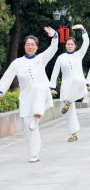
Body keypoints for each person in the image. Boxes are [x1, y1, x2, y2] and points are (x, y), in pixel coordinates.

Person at [0, 27, 58, 162]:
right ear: (24, 46)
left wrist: (55, 36)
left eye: (33, 44)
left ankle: (37, 116)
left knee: (38, 87)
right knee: (29, 127)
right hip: (26, 99)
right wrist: (1, 90)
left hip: (42, 93)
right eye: (28, 44)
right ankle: (34, 155)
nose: (30, 47)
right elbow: (7, 77)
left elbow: (53, 48)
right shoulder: (17, 63)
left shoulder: (41, 58)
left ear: (37, 47)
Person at [50, 24, 89, 142]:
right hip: (66, 87)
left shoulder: (79, 54)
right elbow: (55, 72)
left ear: (75, 46)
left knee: (77, 78)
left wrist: (83, 29)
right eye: (68, 44)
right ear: (65, 45)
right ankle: (73, 134)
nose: (70, 46)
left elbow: (86, 43)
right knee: (70, 113)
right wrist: (52, 87)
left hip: (78, 85)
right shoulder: (61, 57)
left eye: (72, 44)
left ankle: (69, 102)